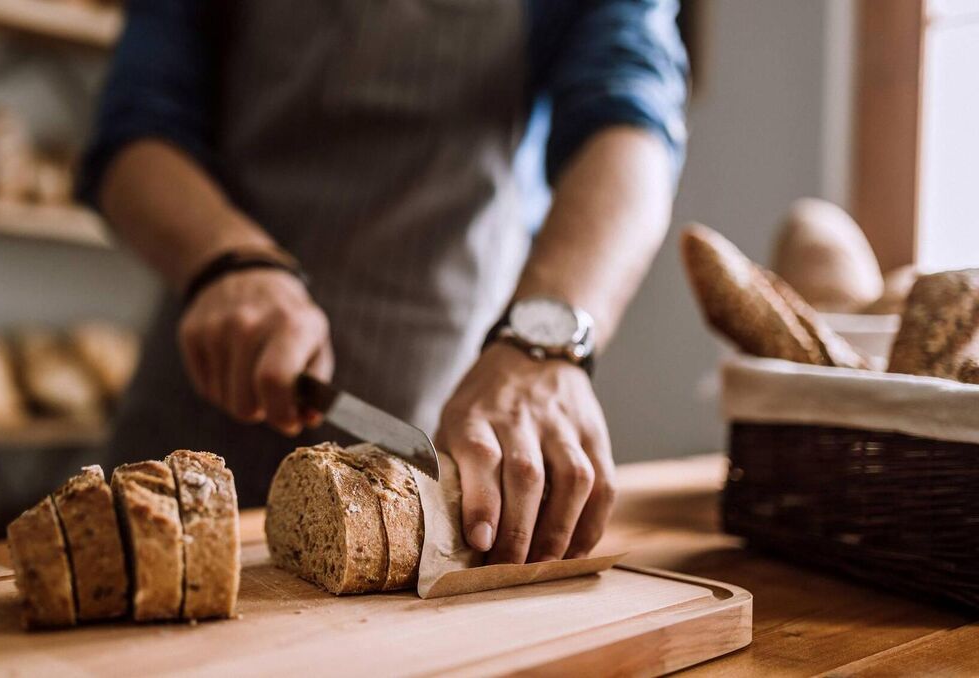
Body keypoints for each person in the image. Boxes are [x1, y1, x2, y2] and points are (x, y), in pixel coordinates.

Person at [79, 0, 687, 565]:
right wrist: (228, 260)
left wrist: (545, 339)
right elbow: (137, 125)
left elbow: (631, 120)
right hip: (208, 377)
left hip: (436, 410)